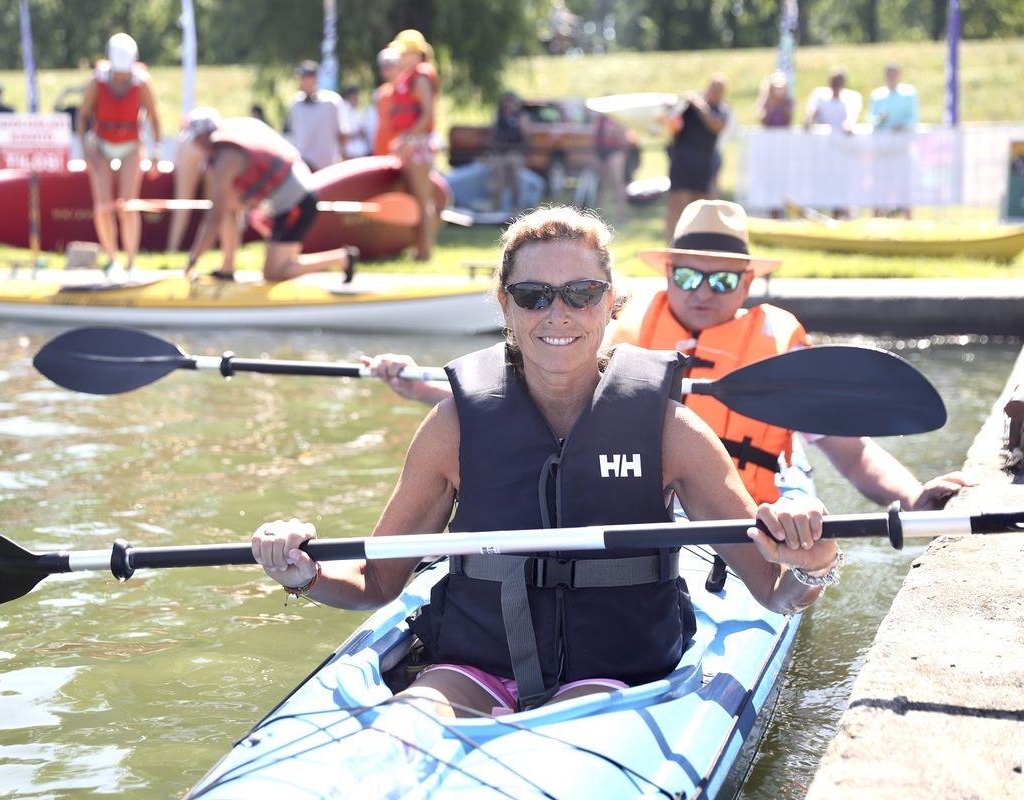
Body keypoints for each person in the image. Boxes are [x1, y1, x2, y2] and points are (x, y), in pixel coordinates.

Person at [252, 206, 837, 718]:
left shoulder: (672, 432)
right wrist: (302, 572)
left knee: (562, 719)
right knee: (403, 727)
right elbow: (375, 581)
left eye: (581, 293)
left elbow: (774, 592)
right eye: (534, 295)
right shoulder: (452, 427)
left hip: (613, 681)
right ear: (505, 304)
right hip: (469, 670)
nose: (558, 314)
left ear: (610, 303)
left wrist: (812, 564)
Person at [370, 201, 974, 514]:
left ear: (746, 284)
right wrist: (420, 386)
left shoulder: (778, 346)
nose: (701, 291)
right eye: (688, 275)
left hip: (751, 513)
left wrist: (913, 499)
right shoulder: (613, 328)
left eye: (720, 281)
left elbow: (855, 452)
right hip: (645, 510)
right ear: (668, 274)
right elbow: (529, 393)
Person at [182, 115, 359, 284]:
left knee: (273, 273)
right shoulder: (237, 130)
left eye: (195, 140)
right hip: (293, 199)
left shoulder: (225, 157)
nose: (195, 145)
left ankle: (341, 259)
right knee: (228, 207)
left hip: (297, 205)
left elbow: (213, 218)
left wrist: (192, 260)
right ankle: (227, 269)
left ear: (204, 136)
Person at [75, 32, 162, 276]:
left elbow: (155, 119)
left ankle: (131, 263)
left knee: (128, 205)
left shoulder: (142, 82)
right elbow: (82, 117)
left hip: (131, 146)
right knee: (103, 206)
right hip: (101, 146)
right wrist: (86, 150)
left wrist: (156, 153)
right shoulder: (97, 81)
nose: (122, 75)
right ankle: (112, 259)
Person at [387, 30, 441, 261]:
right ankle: (418, 248)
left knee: (422, 200)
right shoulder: (408, 76)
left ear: (415, 54)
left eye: (404, 53)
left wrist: (407, 137)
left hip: (418, 143)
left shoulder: (420, 78)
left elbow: (427, 114)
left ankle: (425, 252)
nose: (401, 57)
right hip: (411, 142)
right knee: (414, 198)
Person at [664, 73, 730, 244]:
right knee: (676, 202)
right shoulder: (689, 107)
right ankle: (670, 245)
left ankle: (696, 243)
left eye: (719, 88)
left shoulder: (721, 110)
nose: (715, 91)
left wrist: (698, 104)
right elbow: (671, 122)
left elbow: (715, 125)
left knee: (699, 205)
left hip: (703, 162)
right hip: (682, 160)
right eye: (713, 86)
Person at [165, 107, 222, 254]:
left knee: (214, 203)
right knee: (185, 203)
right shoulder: (193, 142)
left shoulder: (217, 141)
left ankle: (211, 249)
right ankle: (174, 249)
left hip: (206, 146)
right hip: (194, 147)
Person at [868, 62, 919, 219]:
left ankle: (908, 219)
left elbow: (913, 117)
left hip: (901, 148)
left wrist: (903, 126)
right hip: (882, 149)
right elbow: (871, 118)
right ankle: (877, 218)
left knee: (903, 184)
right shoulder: (877, 95)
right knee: (880, 185)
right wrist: (879, 119)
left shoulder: (909, 93)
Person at [285, 60, 349, 172]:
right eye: (302, 77)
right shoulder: (295, 103)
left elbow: (342, 133)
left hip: (326, 162)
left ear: (315, 78)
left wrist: (341, 155)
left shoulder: (331, 102)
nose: (304, 81)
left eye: (307, 77)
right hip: (302, 162)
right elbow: (292, 133)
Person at [486, 91, 527, 216]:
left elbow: (526, 134)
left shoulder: (520, 116)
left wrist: (519, 124)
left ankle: (517, 211)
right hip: (500, 153)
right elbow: (493, 133)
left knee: (515, 182)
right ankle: (496, 210)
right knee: (496, 182)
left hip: (514, 153)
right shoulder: (500, 116)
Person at [593, 110, 632, 224]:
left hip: (615, 152)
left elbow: (624, 139)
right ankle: (599, 215)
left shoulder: (617, 119)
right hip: (601, 152)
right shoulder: (599, 120)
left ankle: (621, 215)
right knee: (602, 185)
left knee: (617, 182)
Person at [367, 47, 403, 157]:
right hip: (381, 150)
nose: (386, 70)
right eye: (384, 67)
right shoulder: (380, 92)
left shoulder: (407, 90)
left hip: (401, 150)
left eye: (390, 66)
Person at [803, 66, 862, 133]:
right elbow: (811, 111)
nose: (836, 85)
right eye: (834, 82)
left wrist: (848, 124)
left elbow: (852, 115)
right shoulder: (819, 94)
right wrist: (808, 118)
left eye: (839, 82)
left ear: (844, 83)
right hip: (822, 138)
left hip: (844, 138)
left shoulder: (852, 97)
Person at [341, 86, 371, 159]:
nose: (358, 99)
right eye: (357, 96)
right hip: (349, 153)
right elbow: (342, 133)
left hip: (358, 152)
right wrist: (356, 134)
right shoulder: (343, 110)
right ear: (351, 96)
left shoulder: (354, 110)